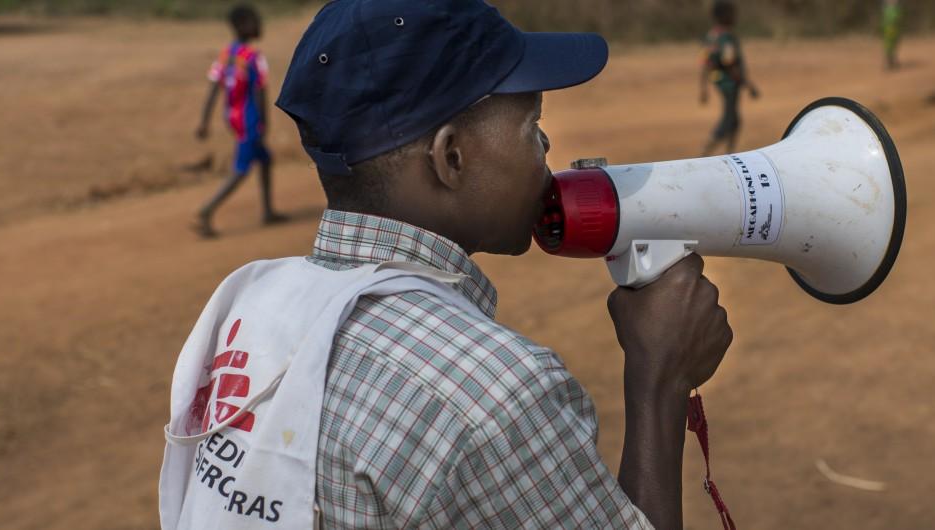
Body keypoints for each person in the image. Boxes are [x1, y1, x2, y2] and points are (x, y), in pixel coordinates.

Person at [159, 1, 734, 529]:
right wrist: (661, 378)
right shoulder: (490, 393)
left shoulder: (251, 309)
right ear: (450, 157)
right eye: (531, 126)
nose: (547, 145)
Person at [192, 3, 285, 239]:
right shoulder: (253, 57)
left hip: (232, 117)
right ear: (244, 25)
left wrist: (204, 121)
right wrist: (264, 123)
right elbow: (260, 92)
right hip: (250, 120)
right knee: (241, 169)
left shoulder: (226, 54)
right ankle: (205, 210)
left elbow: (214, 88)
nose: (260, 25)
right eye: (255, 21)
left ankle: (267, 211)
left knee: (265, 160)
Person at [699, 0, 760, 157]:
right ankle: (705, 154)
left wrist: (703, 87)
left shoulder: (712, 35)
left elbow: (705, 62)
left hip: (719, 80)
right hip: (730, 83)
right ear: (725, 16)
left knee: (735, 121)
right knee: (729, 120)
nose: (735, 17)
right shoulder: (727, 37)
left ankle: (730, 154)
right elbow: (729, 62)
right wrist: (749, 84)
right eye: (733, 14)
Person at [882, 0, 903, 71]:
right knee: (889, 44)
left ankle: (892, 61)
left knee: (893, 44)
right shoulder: (888, 9)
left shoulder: (896, 9)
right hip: (889, 28)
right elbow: (888, 19)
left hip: (894, 27)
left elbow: (898, 18)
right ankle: (887, 63)